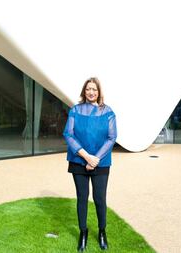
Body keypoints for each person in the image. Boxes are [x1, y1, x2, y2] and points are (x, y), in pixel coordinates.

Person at [63, 77, 117, 251]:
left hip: (101, 163)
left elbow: (111, 138)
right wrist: (87, 157)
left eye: (94, 89)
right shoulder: (75, 110)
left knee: (100, 199)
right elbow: (68, 134)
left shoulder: (108, 112)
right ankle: (83, 232)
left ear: (99, 91)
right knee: (82, 198)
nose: (91, 92)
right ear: (84, 91)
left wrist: (95, 159)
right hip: (79, 160)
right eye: (88, 89)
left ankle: (102, 231)